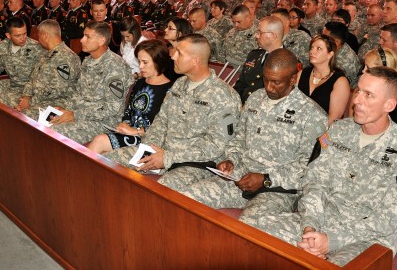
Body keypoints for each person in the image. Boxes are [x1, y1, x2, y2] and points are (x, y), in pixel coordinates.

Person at [255, 67, 397, 266]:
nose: (356, 101)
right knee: (255, 230)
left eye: (369, 95)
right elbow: (314, 183)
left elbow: (388, 218)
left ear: (389, 104)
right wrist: (310, 227)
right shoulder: (339, 131)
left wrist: (331, 240)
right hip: (322, 222)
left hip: (368, 241)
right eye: (358, 91)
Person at [175, 49, 326, 228]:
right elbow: (238, 138)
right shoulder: (255, 99)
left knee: (248, 227)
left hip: (278, 190)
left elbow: (309, 170)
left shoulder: (313, 116)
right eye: (266, 79)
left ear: (293, 79)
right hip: (241, 178)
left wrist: (265, 179)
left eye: (276, 82)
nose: (269, 87)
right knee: (185, 199)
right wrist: (231, 159)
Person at [104, 34, 242, 192]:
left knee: (161, 190)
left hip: (195, 163)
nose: (173, 56)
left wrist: (168, 157)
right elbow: (161, 121)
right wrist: (150, 148)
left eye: (179, 53)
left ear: (196, 60)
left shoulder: (223, 96)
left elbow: (217, 145)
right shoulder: (179, 84)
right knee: (108, 162)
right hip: (162, 150)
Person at [47, 21, 135, 144]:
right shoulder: (88, 61)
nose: (82, 40)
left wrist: (75, 115)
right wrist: (65, 108)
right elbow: (78, 93)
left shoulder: (115, 66)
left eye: (87, 37)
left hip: (104, 123)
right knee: (45, 121)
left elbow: (112, 108)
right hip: (82, 115)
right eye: (83, 36)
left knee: (54, 132)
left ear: (101, 40)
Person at [87, 40, 173, 153]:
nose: (140, 66)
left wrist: (135, 131)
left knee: (100, 142)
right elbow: (128, 111)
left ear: (158, 62)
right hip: (130, 133)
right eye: (139, 61)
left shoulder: (170, 91)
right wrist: (125, 124)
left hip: (150, 140)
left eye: (145, 62)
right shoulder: (140, 83)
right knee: (100, 149)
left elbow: (167, 127)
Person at [16, 19, 81, 119]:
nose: (38, 40)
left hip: (59, 104)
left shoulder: (67, 57)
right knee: (13, 109)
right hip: (39, 100)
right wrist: (26, 97)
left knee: (23, 117)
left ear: (45, 36)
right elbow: (32, 79)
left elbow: (57, 90)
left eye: (39, 36)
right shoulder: (45, 54)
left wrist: (30, 102)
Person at [0, 17, 43, 107]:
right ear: (8, 35)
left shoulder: (36, 48)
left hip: (28, 90)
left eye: (24, 33)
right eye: (18, 36)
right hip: (11, 84)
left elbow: (41, 77)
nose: (23, 38)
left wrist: (27, 97)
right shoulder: (3, 46)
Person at [351, 47, 397, 129]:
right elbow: (352, 121)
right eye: (364, 66)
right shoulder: (360, 89)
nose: (363, 70)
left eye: (368, 68)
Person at [297, 35, 350, 125]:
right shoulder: (302, 73)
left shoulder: (340, 81)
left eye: (319, 49)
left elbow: (333, 119)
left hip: (321, 131)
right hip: (296, 126)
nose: (312, 52)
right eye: (311, 48)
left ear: (330, 54)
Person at [233, 16, 284, 103]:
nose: (256, 35)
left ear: (273, 36)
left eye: (259, 32)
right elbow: (240, 85)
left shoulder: (286, 63)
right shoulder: (254, 55)